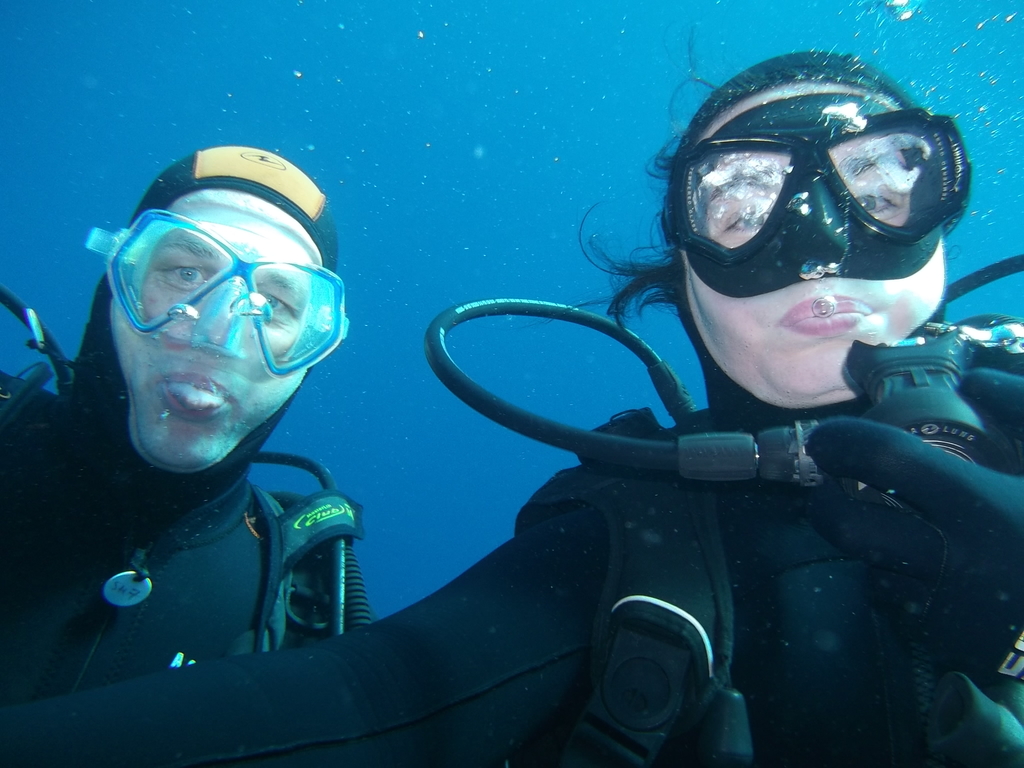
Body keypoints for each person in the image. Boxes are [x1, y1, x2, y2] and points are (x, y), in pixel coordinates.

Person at [1, 51, 1023, 768]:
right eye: (743, 202)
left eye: (883, 180)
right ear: (681, 271)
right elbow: (371, 702)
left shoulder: (295, 567)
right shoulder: (634, 545)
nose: (820, 243)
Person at [0, 145, 369, 709]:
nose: (216, 334)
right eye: (185, 273)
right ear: (116, 282)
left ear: (313, 350)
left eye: (274, 304)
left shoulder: (305, 600)